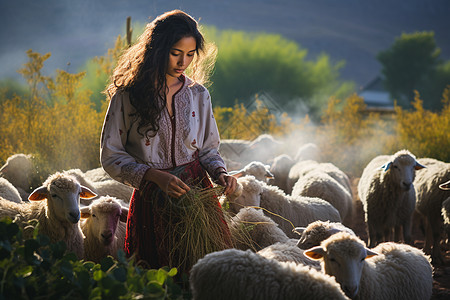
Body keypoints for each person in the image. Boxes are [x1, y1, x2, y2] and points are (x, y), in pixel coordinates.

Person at [100, 10, 237, 270]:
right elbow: (112, 156)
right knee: (157, 274)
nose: (183, 61)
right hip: (153, 200)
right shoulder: (127, 97)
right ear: (157, 49)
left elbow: (208, 148)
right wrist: (153, 176)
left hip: (197, 194)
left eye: (190, 54)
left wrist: (220, 173)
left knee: (209, 271)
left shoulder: (199, 94)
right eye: (176, 52)